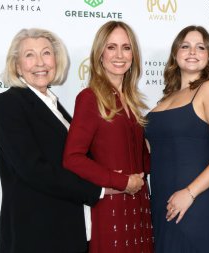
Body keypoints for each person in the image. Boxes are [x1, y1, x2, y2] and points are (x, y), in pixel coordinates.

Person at [0, 28, 108, 253]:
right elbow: (33, 169)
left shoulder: (54, 105)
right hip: (35, 236)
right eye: (29, 55)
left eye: (46, 53)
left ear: (56, 59)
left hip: (67, 232)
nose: (40, 62)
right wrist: (98, 191)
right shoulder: (8, 104)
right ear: (16, 65)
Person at [145, 25, 209, 253]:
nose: (192, 52)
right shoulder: (163, 101)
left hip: (197, 202)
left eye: (200, 47)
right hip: (161, 203)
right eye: (185, 46)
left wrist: (190, 193)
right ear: (176, 54)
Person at [63, 21, 153, 253]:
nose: (120, 55)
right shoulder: (90, 97)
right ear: (99, 54)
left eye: (126, 47)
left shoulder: (132, 100)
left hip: (140, 206)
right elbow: (72, 158)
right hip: (112, 207)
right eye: (111, 47)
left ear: (134, 54)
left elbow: (141, 163)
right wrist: (121, 181)